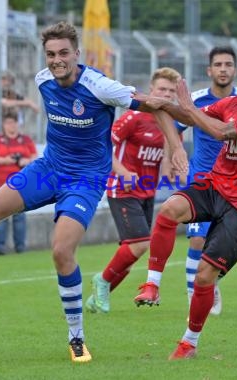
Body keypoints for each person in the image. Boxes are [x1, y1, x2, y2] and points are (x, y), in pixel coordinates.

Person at [0, 21, 187, 364]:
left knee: (60, 250)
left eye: (64, 53)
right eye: (51, 54)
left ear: (77, 54)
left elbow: (156, 105)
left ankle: (77, 338)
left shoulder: (100, 86)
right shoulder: (42, 80)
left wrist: (177, 147)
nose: (57, 60)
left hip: (85, 179)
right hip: (49, 168)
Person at [132, 48, 237, 359]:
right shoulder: (234, 102)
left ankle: (189, 342)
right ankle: (152, 284)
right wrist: (147, 101)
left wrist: (188, 107)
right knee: (168, 212)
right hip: (215, 184)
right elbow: (187, 115)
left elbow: (219, 132)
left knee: (204, 276)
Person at [86, 67, 181, 314]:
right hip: (123, 189)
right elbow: (104, 147)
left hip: (147, 192)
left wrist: (170, 164)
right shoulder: (133, 116)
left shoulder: (169, 120)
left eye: (171, 91)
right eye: (162, 89)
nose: (166, 94)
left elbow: (169, 147)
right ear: (151, 90)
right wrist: (124, 172)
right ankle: (102, 282)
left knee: (131, 252)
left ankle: (95, 299)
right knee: (139, 244)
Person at [177, 46, 237, 316]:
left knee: (225, 245)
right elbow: (173, 125)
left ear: (235, 70)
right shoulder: (196, 100)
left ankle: (211, 281)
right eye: (218, 64)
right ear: (210, 70)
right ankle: (195, 296)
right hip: (202, 181)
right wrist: (175, 151)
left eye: (228, 64)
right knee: (196, 241)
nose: (223, 69)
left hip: (236, 184)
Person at [0, 112, 37, 255]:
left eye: (13, 122)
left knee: (20, 216)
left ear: (17, 124)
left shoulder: (25, 140)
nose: (11, 125)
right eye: (8, 122)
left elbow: (35, 156)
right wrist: (6, 160)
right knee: (0, 216)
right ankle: (0, 247)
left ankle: (20, 246)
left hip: (21, 184)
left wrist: (26, 161)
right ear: (3, 124)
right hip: (1, 183)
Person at [0, 70, 40, 145]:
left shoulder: (10, 93)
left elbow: (27, 102)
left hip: (5, 133)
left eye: (9, 80)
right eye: (4, 80)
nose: (7, 83)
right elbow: (5, 103)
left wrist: (30, 103)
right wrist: (27, 103)